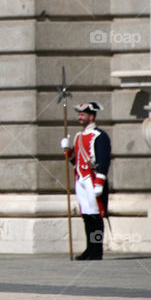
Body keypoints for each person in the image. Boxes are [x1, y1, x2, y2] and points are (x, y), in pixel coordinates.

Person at [60, 101, 111, 260]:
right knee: (87, 216)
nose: (79, 117)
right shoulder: (78, 136)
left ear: (91, 116)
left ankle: (96, 250)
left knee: (95, 216)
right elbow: (76, 161)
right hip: (81, 179)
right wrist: (67, 150)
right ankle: (90, 248)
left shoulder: (99, 136)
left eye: (83, 114)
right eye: (79, 114)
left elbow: (104, 160)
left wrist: (100, 183)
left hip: (93, 180)